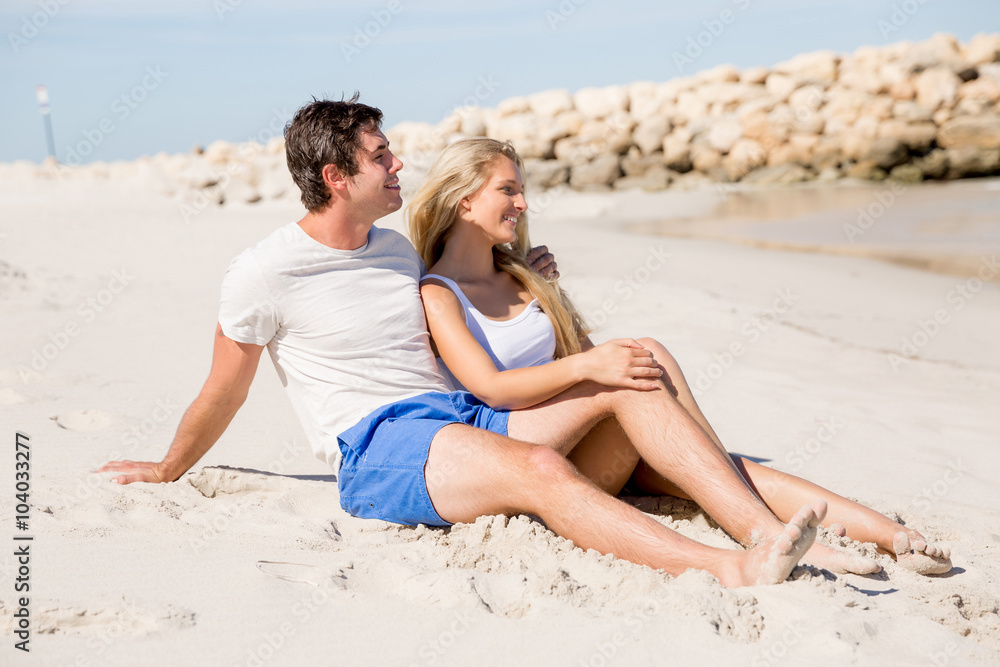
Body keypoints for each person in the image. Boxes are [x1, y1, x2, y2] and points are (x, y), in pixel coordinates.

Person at [98, 96, 832, 589]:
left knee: (629, 374)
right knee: (543, 467)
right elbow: (224, 386)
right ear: (335, 175)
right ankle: (728, 570)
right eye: (382, 157)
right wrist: (169, 466)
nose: (398, 168)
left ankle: (763, 532)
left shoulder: (393, 251)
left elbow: (462, 288)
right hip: (380, 441)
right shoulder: (263, 271)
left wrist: (523, 268)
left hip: (461, 417)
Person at [409, 137, 952, 576]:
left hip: (577, 437)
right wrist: (587, 367)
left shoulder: (522, 274)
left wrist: (548, 293)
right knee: (640, 386)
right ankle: (761, 530)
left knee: (654, 362)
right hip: (515, 453)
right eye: (508, 190)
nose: (523, 203)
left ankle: (892, 536)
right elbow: (490, 388)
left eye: (522, 190)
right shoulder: (439, 291)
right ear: (464, 200)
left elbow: (576, 355)